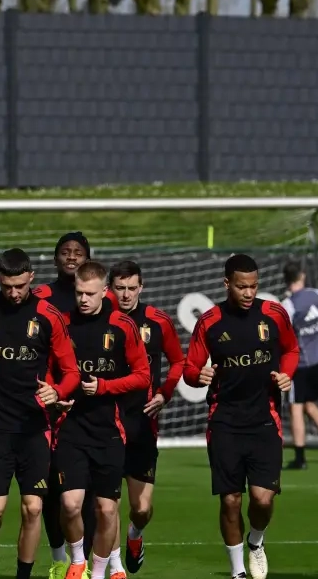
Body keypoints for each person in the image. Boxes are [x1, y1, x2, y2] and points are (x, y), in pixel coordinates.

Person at [0, 248, 81, 579]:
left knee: (34, 507)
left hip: (34, 428)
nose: (13, 293)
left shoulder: (48, 316)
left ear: (31, 279)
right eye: (7, 286)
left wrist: (58, 392)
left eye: (20, 286)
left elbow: (71, 371)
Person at [182, 254, 298, 579]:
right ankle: (237, 571)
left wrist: (286, 375)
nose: (248, 293)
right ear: (227, 284)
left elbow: (291, 349)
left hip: (264, 420)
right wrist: (198, 376)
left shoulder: (274, 314)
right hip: (225, 422)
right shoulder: (210, 321)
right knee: (231, 500)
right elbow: (189, 368)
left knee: (262, 500)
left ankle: (256, 541)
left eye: (253, 286)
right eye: (241, 287)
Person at [56, 261, 152, 579]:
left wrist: (104, 387)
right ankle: (77, 560)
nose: (83, 299)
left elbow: (143, 376)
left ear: (104, 292)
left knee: (107, 509)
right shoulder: (62, 324)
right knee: (70, 505)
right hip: (70, 428)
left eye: (90, 293)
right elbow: (48, 368)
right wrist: (56, 394)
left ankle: (99, 572)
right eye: (79, 293)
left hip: (109, 430)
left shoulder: (122, 326)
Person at [34, 231, 115, 579]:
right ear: (55, 258)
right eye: (65, 251)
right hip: (53, 414)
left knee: (96, 498)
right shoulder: (43, 298)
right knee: (54, 493)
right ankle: (60, 559)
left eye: (78, 252)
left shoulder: (110, 310)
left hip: (98, 418)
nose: (71, 257)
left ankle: (95, 565)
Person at [108, 260, 186, 576]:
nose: (126, 295)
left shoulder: (157, 321)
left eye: (131, 288)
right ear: (109, 288)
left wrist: (165, 393)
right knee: (108, 504)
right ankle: (114, 566)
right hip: (106, 421)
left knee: (140, 508)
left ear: (141, 287)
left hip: (143, 422)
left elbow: (178, 361)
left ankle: (135, 534)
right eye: (119, 288)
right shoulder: (102, 320)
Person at [280, 261, 318, 470]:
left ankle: (300, 457)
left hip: (300, 364)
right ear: (302, 276)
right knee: (308, 404)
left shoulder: (289, 305)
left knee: (295, 407)